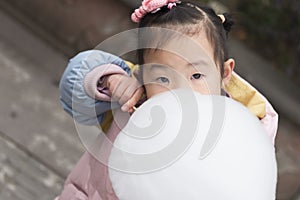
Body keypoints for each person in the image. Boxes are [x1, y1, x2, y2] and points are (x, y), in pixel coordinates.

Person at [56, 1, 278, 199]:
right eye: (164, 78)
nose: (182, 90)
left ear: (224, 74)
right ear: (143, 76)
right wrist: (110, 80)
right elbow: (73, 85)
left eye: (196, 76)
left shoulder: (236, 138)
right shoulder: (135, 101)